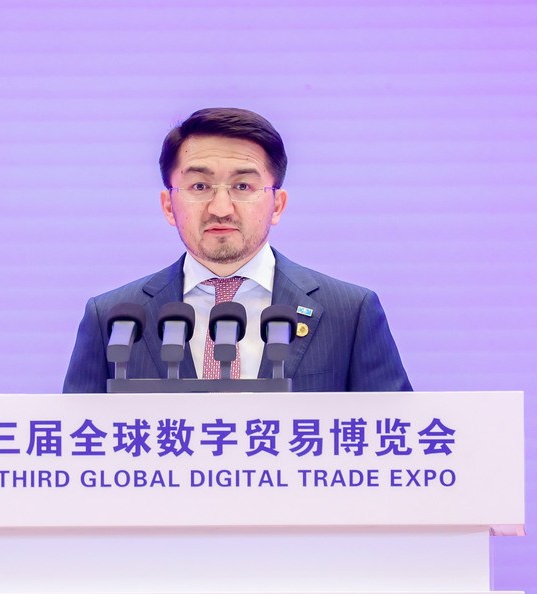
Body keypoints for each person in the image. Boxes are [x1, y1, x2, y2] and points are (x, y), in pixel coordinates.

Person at [62, 107, 412, 393]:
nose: (221, 208)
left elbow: (397, 437)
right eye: (199, 186)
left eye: (243, 186)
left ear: (277, 205)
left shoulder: (349, 312)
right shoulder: (112, 319)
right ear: (169, 206)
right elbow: (75, 442)